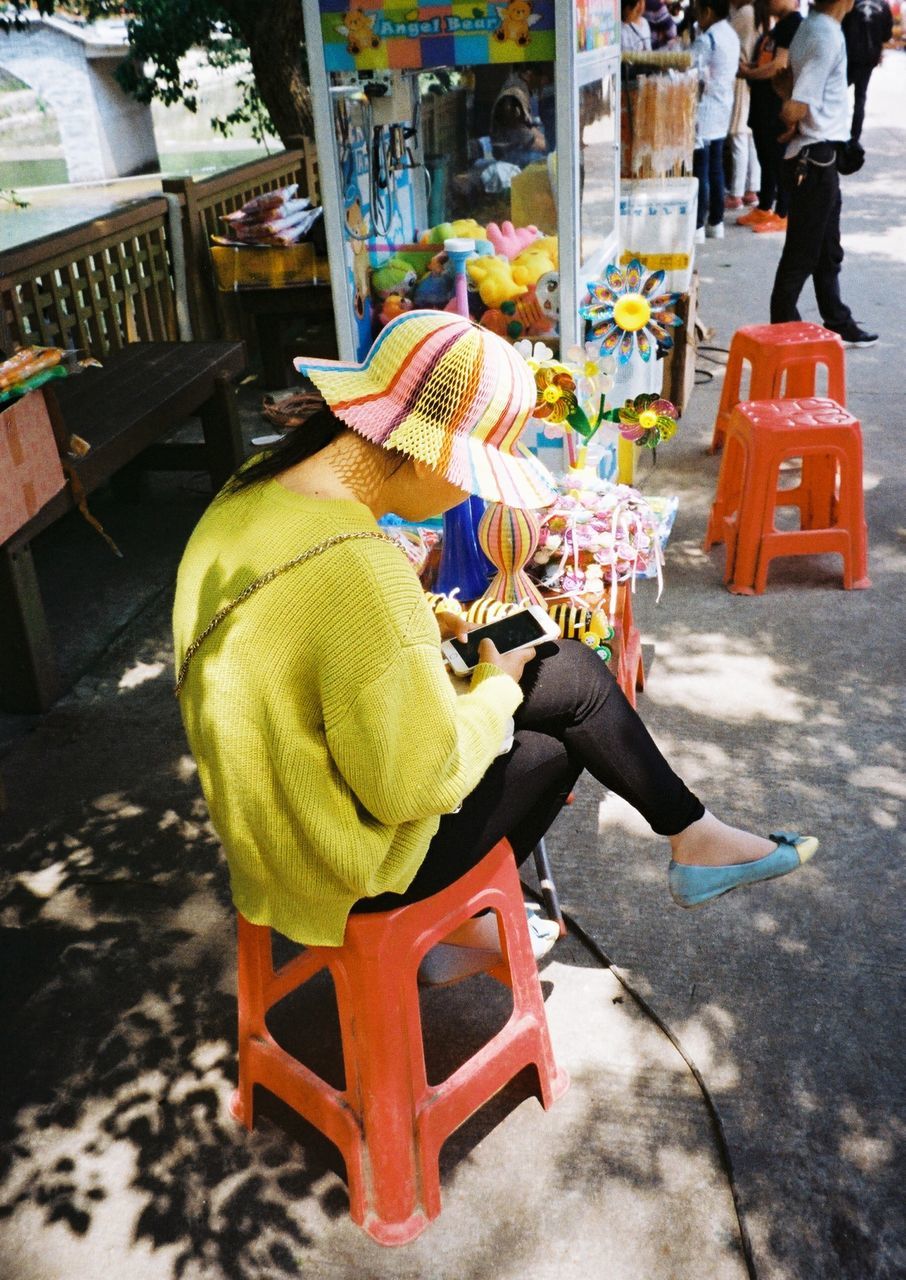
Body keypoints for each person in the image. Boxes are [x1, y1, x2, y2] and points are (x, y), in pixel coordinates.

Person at [172, 311, 818, 980]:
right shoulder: (361, 565)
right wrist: (497, 687)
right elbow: (414, 786)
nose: (473, 491)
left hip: (269, 836)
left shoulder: (250, 488)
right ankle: (462, 924)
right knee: (563, 725)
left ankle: (691, 834)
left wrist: (431, 624)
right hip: (342, 867)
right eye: (473, 471)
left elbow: (305, 630)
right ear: (426, 451)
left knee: (562, 672)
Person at [769, 0, 879, 346]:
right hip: (812, 159)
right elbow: (793, 106)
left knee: (827, 249)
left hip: (818, 155)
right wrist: (792, 119)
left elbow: (783, 80)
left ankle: (837, 318)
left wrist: (795, 113)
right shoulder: (824, 34)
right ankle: (784, 329)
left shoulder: (814, 25)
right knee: (801, 254)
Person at [737, 0, 803, 233]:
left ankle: (783, 213)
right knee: (765, 158)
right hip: (762, 105)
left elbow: (779, 65)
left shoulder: (792, 25)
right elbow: (768, 59)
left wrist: (751, 73)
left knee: (777, 160)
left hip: (775, 105)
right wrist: (752, 67)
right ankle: (765, 206)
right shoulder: (779, 25)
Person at [691, 0, 741, 241]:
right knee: (716, 167)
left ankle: (698, 225)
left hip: (704, 109)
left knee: (700, 168)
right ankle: (716, 222)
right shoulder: (730, 34)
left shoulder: (706, 39)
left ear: (707, 11)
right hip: (723, 106)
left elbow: (690, 67)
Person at [725, 0, 761, 212]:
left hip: (741, 78)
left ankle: (737, 193)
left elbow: (725, 37)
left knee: (739, 135)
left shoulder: (746, 12)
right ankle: (752, 189)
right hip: (751, 79)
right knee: (749, 138)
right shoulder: (755, 11)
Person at [842, 0, 893, 142]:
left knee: (838, 91)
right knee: (860, 97)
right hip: (869, 57)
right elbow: (887, 35)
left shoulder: (852, 3)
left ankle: (834, 128)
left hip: (849, 55)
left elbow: (842, 24)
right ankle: (854, 136)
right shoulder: (883, 6)